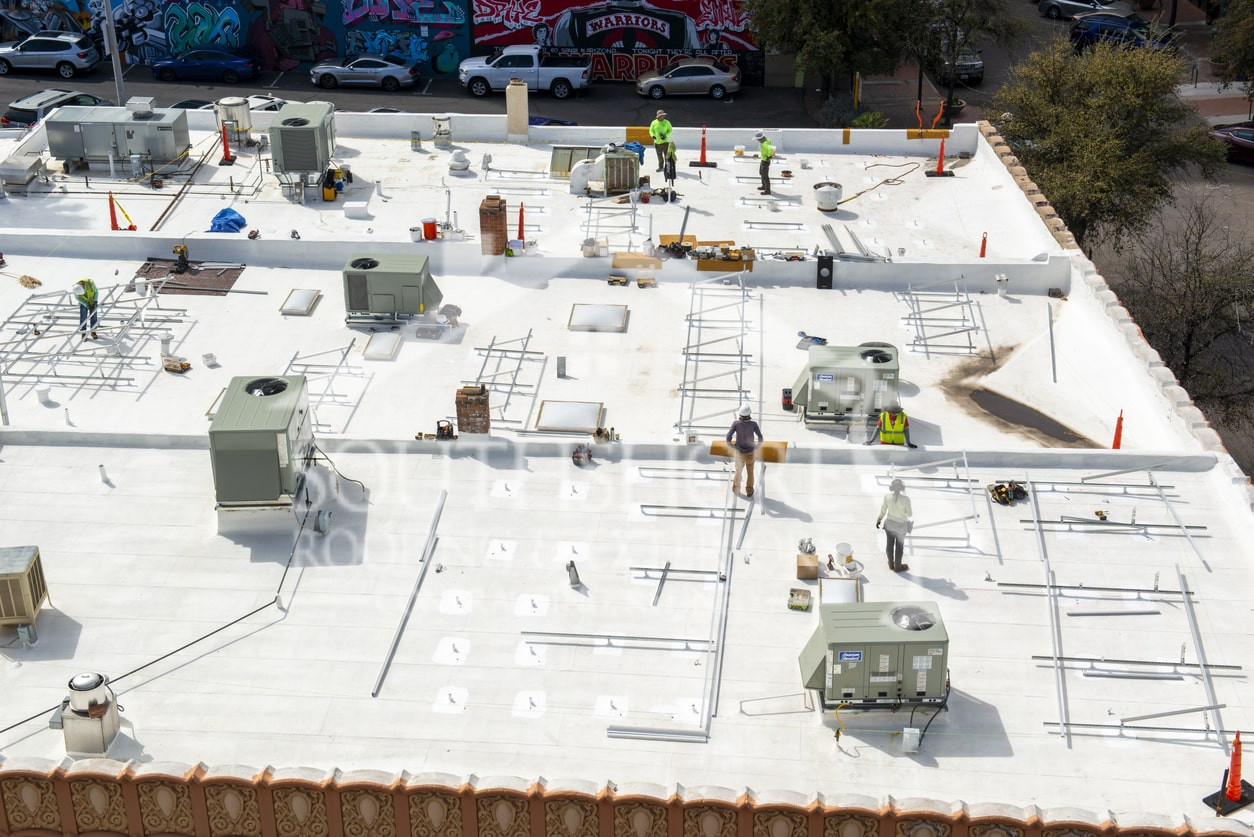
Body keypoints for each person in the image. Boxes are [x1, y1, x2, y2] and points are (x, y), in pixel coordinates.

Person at [875, 478, 913, 572]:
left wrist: (879, 520)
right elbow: (909, 514)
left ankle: (891, 563)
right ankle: (898, 566)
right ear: (902, 488)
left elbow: (883, 511)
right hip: (901, 527)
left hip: (889, 526)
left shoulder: (887, 497)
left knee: (889, 544)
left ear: (891, 487)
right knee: (899, 547)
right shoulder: (906, 499)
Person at [725, 403, 763, 497]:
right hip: (750, 452)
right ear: (749, 414)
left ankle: (736, 489)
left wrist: (732, 446)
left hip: (739, 452)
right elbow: (760, 438)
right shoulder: (753, 424)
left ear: (740, 414)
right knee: (750, 472)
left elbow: (728, 437)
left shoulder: (736, 424)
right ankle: (749, 491)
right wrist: (756, 446)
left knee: (738, 472)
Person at [753, 130, 774, 195]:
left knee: (765, 176)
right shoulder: (766, 141)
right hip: (763, 160)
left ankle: (768, 191)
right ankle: (764, 186)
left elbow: (771, 150)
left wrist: (769, 156)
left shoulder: (765, 144)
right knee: (761, 173)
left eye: (757, 139)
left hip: (765, 161)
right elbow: (769, 143)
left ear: (760, 139)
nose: (757, 140)